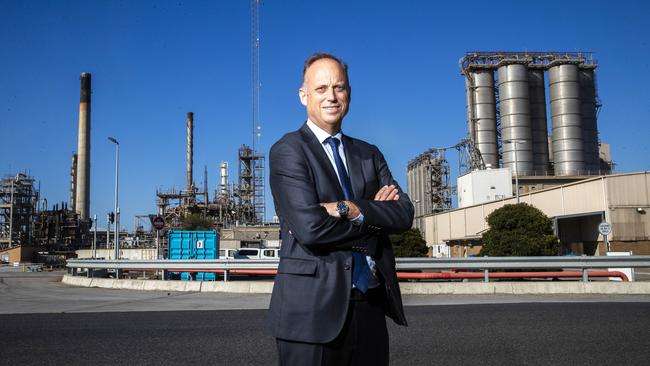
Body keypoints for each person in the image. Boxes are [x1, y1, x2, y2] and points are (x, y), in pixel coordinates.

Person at [267, 52, 414, 366]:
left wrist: (349, 208)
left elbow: (404, 213)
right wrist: (374, 220)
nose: (331, 97)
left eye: (339, 87)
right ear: (303, 95)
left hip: (371, 307)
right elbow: (311, 228)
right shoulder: (288, 151)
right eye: (321, 89)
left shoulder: (368, 153)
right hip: (310, 315)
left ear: (349, 93)